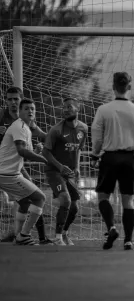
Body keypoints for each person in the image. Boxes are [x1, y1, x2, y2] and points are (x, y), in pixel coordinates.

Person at [91, 72, 134, 250]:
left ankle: (111, 227)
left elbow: (97, 137)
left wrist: (94, 155)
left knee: (103, 196)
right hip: (129, 159)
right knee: (128, 201)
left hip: (109, 157)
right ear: (129, 87)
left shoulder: (103, 109)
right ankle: (128, 240)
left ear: (113, 87)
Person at [0, 87, 50, 244]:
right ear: (6, 101)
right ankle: (23, 236)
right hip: (6, 168)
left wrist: (59, 142)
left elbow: (43, 137)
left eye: (16, 98)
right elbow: (21, 150)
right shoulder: (3, 117)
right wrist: (42, 158)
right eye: (10, 99)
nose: (13, 102)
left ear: (21, 100)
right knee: (37, 196)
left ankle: (26, 236)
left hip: (13, 167)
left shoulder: (28, 123)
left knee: (27, 198)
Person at [42, 97, 88, 245]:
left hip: (69, 173)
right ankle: (57, 238)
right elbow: (45, 152)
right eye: (64, 107)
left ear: (78, 109)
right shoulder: (56, 130)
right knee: (66, 200)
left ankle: (65, 233)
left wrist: (78, 167)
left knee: (74, 208)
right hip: (54, 171)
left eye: (69, 107)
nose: (66, 110)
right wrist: (60, 166)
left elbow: (79, 149)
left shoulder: (84, 128)